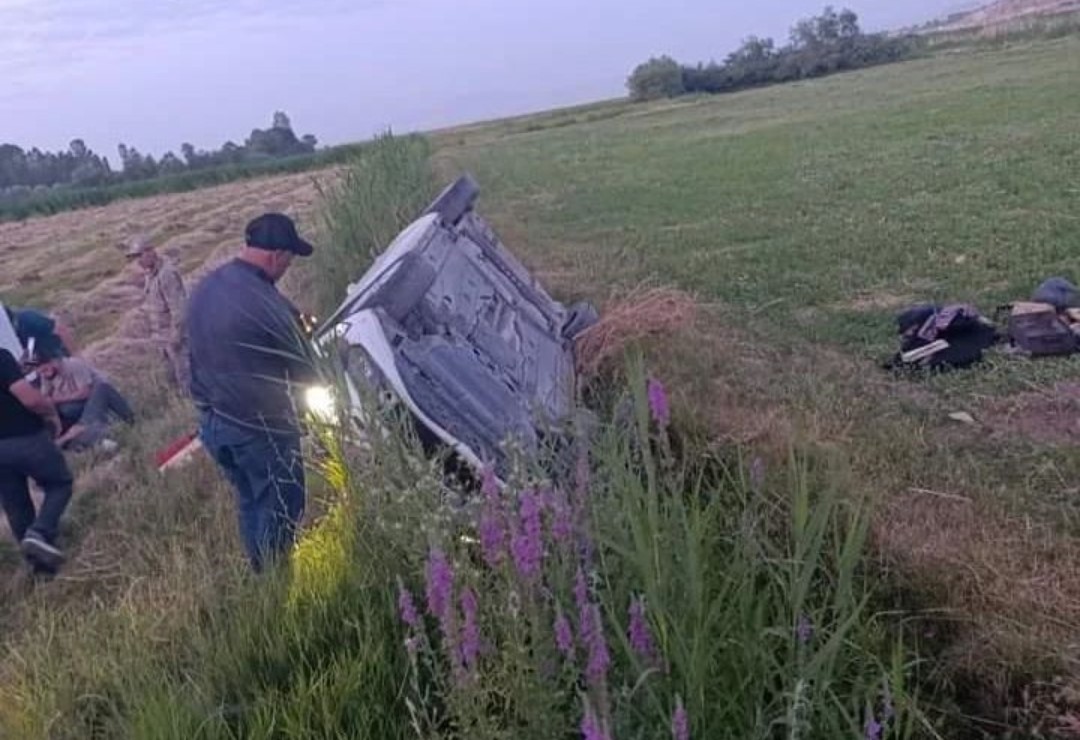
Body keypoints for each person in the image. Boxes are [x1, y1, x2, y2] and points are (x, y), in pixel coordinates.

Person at [187, 213, 318, 572]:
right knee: (281, 506)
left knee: (251, 501)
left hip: (214, 424)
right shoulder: (264, 302)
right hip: (260, 430)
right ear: (276, 255)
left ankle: (259, 572)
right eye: (289, 260)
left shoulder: (209, 286)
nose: (288, 268)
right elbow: (306, 368)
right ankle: (276, 585)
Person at [0, 347, 73, 573]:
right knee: (60, 483)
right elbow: (30, 400)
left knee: (16, 506)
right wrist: (51, 412)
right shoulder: (1, 356)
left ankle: (41, 571)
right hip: (23, 435)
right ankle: (40, 532)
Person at [124, 236, 190, 393]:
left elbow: (179, 310)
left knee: (186, 380)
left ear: (150, 252)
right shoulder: (150, 275)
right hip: (161, 338)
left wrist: (175, 338)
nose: (138, 261)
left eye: (139, 255)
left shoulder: (167, 274)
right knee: (172, 381)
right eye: (135, 257)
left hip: (175, 339)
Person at [35, 349, 135, 451]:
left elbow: (86, 392)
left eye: (45, 370)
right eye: (41, 372)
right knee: (74, 425)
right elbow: (46, 398)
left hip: (92, 397)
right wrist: (68, 435)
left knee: (101, 388)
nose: (44, 374)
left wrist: (57, 399)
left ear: (54, 361)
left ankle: (130, 420)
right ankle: (101, 434)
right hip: (71, 426)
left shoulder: (73, 365)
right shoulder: (47, 376)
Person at [3, 305, 76, 359]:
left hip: (57, 356)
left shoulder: (29, 319)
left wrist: (76, 356)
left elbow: (59, 329)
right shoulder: (7, 337)